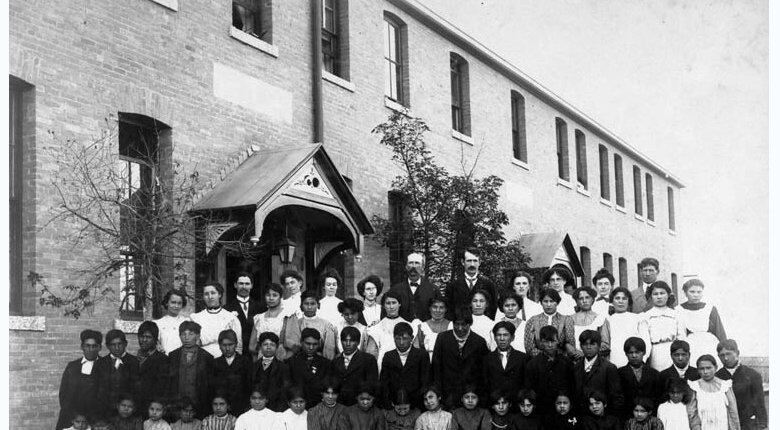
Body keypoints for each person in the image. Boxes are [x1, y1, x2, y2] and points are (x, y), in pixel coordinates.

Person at [431, 307, 489, 408]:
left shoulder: (479, 342)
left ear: (470, 324)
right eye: (457, 324)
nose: (460, 328)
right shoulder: (442, 339)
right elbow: (436, 368)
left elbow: (483, 373)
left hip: (470, 396)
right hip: (447, 395)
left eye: (464, 325)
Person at [715, 339, 767, 430]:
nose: (726, 358)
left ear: (737, 353)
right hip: (725, 424)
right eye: (722, 355)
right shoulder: (717, 377)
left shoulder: (752, 375)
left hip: (748, 424)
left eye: (728, 354)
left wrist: (762, 425)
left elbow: (760, 404)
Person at [56, 329, 103, 430]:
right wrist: (74, 417)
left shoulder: (105, 366)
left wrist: (91, 419)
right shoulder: (72, 366)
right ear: (82, 347)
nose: (90, 349)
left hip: (95, 420)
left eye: (94, 346)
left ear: (100, 347)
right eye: (87, 345)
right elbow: (63, 394)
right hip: (71, 420)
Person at [166, 321, 214, 418]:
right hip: (177, 406)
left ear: (198, 336)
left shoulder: (207, 357)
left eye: (191, 334)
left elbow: (210, 386)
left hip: (199, 406)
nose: (186, 338)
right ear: (179, 336)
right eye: (183, 334)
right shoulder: (173, 356)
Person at [524, 326, 575, 416]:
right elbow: (530, 390)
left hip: (563, 409)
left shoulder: (566, 362)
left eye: (553, 341)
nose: (550, 345)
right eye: (546, 342)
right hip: (541, 410)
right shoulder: (533, 364)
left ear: (558, 341)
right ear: (541, 343)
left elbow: (572, 386)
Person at [380, 322, 430, 410]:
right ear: (394, 339)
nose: (401, 342)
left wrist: (416, 403)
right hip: (394, 404)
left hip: (417, 404)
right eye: (398, 339)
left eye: (405, 338)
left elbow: (425, 381)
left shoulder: (422, 355)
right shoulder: (388, 356)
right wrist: (389, 403)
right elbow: (384, 383)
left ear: (412, 338)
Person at [572, 330, 623, 416]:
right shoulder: (576, 367)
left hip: (602, 418)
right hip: (582, 417)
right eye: (585, 344)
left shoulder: (609, 368)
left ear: (599, 346)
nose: (589, 347)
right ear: (580, 346)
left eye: (592, 344)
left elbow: (616, 397)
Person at [366, 291, 421, 368]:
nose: (391, 307)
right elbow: (371, 353)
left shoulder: (411, 326)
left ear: (399, 304)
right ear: (384, 306)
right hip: (383, 365)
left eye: (394, 303)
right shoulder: (376, 328)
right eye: (388, 303)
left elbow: (416, 350)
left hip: (406, 365)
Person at [639, 281, 686, 370]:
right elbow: (645, 342)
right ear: (650, 297)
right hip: (656, 354)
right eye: (655, 294)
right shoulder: (645, 316)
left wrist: (680, 355)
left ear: (668, 295)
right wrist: (643, 361)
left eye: (662, 293)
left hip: (674, 352)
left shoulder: (676, 314)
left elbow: (682, 337)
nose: (659, 296)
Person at [279, 290, 339, 360]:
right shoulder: (296, 323)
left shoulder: (326, 325)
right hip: (298, 360)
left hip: (320, 361)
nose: (309, 307)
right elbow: (292, 345)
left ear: (318, 305)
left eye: (313, 304)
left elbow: (329, 349)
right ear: (301, 305)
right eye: (306, 304)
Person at [678, 279, 727, 364]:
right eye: (692, 292)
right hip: (690, 344)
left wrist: (725, 348)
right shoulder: (679, 309)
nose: (696, 295)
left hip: (709, 344)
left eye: (699, 292)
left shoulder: (710, 308)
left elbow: (719, 331)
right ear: (685, 293)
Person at [190, 282, 243, 358]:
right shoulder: (196, 318)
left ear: (219, 295)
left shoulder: (230, 317)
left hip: (225, 361)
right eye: (206, 294)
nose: (210, 297)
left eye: (213, 293)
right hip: (203, 360)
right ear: (203, 297)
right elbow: (193, 344)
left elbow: (238, 346)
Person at [688, 354, 740, 430]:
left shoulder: (725, 386)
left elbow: (733, 412)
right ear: (698, 370)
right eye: (701, 369)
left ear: (715, 368)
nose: (705, 372)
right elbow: (692, 414)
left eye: (708, 368)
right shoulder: (694, 387)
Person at [96, 329, 140, 418]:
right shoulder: (101, 363)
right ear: (108, 346)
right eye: (113, 345)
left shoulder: (134, 362)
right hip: (106, 412)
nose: (117, 348)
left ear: (125, 344)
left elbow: (136, 389)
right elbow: (99, 389)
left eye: (119, 344)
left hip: (127, 412)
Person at [445, 248, 498, 320]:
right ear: (463, 262)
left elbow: (493, 308)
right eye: (469, 261)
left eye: (475, 261)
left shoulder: (488, 284)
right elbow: (448, 310)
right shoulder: (453, 286)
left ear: (479, 262)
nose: (472, 264)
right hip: (460, 327)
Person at [617, 337, 662, 420]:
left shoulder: (654, 374)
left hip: (649, 418)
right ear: (626, 354)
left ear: (644, 352)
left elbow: (658, 398)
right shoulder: (619, 373)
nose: (634, 355)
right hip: (627, 418)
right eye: (630, 352)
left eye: (637, 352)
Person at [333, 326, 379, 406]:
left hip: (360, 406)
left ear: (358, 342)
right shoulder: (335, 361)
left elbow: (372, 385)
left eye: (351, 341)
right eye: (345, 340)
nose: (347, 344)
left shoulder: (368, 360)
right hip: (339, 407)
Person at [286, 328, 333, 408]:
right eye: (308, 343)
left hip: (318, 408)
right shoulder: (290, 362)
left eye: (315, 344)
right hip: (297, 407)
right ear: (301, 342)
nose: (311, 347)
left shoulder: (326, 364)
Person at [524, 288, 576, 357]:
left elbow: (570, 344)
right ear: (541, 303)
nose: (548, 305)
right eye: (545, 301)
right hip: (538, 361)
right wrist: (545, 358)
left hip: (560, 361)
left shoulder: (566, 320)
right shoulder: (532, 321)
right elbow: (529, 347)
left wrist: (556, 358)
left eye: (551, 301)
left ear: (557, 303)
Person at [602, 287, 648, 368]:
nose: (620, 301)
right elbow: (605, 344)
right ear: (612, 301)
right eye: (617, 298)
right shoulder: (608, 320)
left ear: (629, 301)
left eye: (624, 298)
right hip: (615, 361)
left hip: (636, 361)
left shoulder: (638, 318)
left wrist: (642, 359)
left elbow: (646, 341)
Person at [211, 329, 252, 415]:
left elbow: (249, 387)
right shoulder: (215, 363)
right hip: (221, 410)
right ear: (219, 346)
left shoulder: (245, 362)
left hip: (241, 408)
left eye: (230, 345)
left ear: (236, 344)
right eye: (224, 345)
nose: (227, 348)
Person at [482, 321, 526, 400]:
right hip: (494, 404)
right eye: (499, 335)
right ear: (495, 338)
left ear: (512, 337)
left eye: (505, 335)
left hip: (515, 405)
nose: (502, 339)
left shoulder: (523, 358)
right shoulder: (486, 359)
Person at [223, 272, 264, 357]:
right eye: (241, 284)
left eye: (247, 284)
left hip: (255, 352)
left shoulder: (260, 307)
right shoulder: (227, 308)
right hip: (236, 352)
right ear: (235, 285)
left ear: (251, 286)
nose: (244, 287)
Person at [390, 252, 437, 322]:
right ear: (406, 266)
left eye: (417, 263)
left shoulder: (433, 290)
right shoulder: (395, 290)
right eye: (411, 263)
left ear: (423, 267)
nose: (413, 266)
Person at [136, 321, 169, 416]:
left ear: (155, 339)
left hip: (153, 411)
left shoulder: (163, 360)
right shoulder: (134, 359)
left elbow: (163, 389)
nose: (144, 340)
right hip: (135, 410)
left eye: (148, 337)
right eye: (142, 336)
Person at [251, 331, 290, 412]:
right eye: (265, 344)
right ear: (260, 346)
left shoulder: (283, 368)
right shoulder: (253, 367)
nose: (268, 347)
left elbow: (284, 393)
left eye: (272, 345)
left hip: (275, 409)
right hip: (256, 408)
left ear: (277, 347)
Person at [248, 282, 287, 358]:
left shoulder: (286, 316)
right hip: (262, 359)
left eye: (275, 295)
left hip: (281, 358)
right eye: (268, 295)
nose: (271, 298)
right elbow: (252, 347)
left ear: (280, 297)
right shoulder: (259, 318)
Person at [571, 286, 608, 353]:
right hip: (575, 357)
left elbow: (604, 343)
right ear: (577, 301)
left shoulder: (600, 318)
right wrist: (575, 352)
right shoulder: (570, 319)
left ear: (592, 299)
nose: (584, 301)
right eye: (581, 298)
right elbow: (568, 341)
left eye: (587, 297)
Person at [154, 289, 190, 355]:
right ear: (167, 303)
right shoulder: (158, 323)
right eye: (173, 302)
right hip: (165, 360)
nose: (176, 306)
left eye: (179, 303)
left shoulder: (187, 322)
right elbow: (156, 344)